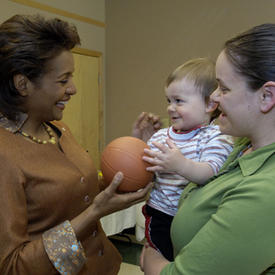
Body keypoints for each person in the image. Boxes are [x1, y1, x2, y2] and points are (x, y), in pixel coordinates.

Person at [0, 14, 156, 275]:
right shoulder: (5, 155)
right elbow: (13, 266)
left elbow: (81, 193)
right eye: (63, 80)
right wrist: (94, 212)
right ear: (22, 84)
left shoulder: (58, 129)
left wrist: (132, 153)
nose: (72, 89)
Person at [140, 23, 275, 275]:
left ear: (266, 97)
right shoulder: (241, 145)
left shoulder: (267, 191)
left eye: (224, 88)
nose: (212, 98)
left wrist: (152, 262)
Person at [140, 58, 233, 261]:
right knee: (160, 257)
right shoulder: (160, 136)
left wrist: (181, 165)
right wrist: (138, 146)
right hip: (160, 214)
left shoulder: (216, 136)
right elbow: (143, 171)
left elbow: (211, 172)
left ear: (210, 104)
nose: (171, 108)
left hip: (194, 217)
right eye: (168, 100)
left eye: (179, 101)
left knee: (188, 261)